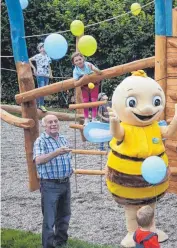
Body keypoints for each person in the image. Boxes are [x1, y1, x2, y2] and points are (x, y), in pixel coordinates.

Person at [33, 114, 73, 248]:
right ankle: (48, 245)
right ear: (44, 125)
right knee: (49, 220)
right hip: (50, 185)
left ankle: (61, 243)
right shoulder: (41, 141)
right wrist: (56, 152)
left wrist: (71, 169)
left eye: (56, 121)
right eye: (50, 122)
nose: (54, 124)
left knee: (64, 216)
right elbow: (38, 160)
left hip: (65, 183)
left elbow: (67, 158)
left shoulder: (63, 139)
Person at [71, 52, 102, 124]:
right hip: (84, 87)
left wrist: (94, 69)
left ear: (83, 59)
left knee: (94, 101)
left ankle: (94, 118)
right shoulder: (75, 71)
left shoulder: (88, 64)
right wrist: (83, 78)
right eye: (76, 60)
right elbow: (75, 83)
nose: (79, 61)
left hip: (94, 85)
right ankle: (86, 119)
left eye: (80, 59)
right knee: (85, 102)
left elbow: (100, 72)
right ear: (74, 63)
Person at [29, 42, 53, 112]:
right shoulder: (37, 56)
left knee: (44, 91)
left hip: (46, 76)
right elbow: (29, 60)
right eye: (42, 47)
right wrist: (34, 68)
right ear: (39, 49)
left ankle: (37, 104)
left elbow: (49, 66)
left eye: (45, 47)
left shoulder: (48, 56)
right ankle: (41, 105)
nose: (44, 48)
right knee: (41, 90)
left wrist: (51, 74)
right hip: (40, 75)